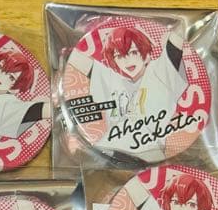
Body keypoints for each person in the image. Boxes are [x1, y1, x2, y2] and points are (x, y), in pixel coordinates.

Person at [67, 25, 189, 159]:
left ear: (147, 55)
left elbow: (176, 42)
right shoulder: (114, 80)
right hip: (111, 152)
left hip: (149, 152)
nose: (127, 61)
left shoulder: (159, 72)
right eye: (119, 56)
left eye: (134, 52)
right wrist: (64, 49)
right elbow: (83, 63)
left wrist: (179, 26)